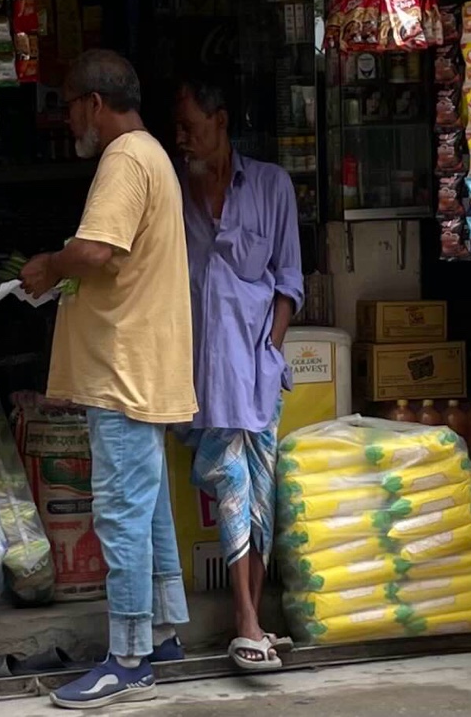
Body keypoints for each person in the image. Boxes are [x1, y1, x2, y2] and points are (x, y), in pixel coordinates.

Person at [21, 50, 195, 709]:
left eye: (70, 107)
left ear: (94, 104)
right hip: (143, 364)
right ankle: (163, 633)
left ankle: (127, 660)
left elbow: (96, 250)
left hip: (123, 370)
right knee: (147, 510)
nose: (68, 122)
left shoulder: (123, 159)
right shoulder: (152, 155)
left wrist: (47, 265)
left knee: (122, 513)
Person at [173, 77, 304, 675]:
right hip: (201, 371)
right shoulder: (174, 191)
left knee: (260, 491)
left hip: (255, 367)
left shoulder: (272, 186)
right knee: (231, 481)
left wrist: (271, 351)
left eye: (190, 127)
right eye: (178, 129)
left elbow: (289, 281)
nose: (181, 139)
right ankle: (246, 620)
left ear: (220, 121)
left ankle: (251, 621)